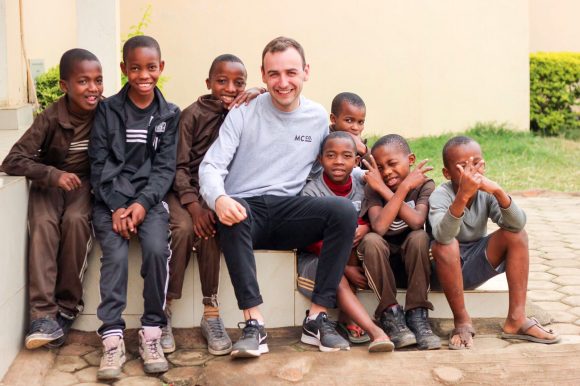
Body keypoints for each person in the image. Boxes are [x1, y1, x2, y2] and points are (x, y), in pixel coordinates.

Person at [199, 36, 357, 358]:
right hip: (247, 210)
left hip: (291, 212)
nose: (283, 83)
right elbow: (211, 166)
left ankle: (317, 318)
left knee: (342, 211)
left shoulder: (316, 118)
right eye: (274, 74)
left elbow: (338, 161)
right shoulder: (244, 111)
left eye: (291, 73)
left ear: (306, 72)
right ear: (263, 74)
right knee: (232, 211)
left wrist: (380, 177)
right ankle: (254, 325)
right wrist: (219, 199)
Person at [89, 35, 179, 379]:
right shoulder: (108, 110)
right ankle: (112, 338)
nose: (144, 75)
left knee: (157, 249)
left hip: (149, 202)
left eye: (151, 67)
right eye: (136, 68)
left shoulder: (169, 114)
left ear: (161, 68)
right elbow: (98, 164)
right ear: (124, 68)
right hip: (110, 201)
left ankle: (152, 332)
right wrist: (116, 206)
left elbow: (164, 169)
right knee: (115, 255)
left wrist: (141, 204)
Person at [2, 49, 102, 349]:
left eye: (98, 80)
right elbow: (12, 160)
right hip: (50, 182)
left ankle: (67, 307)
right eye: (83, 81)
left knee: (75, 222)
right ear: (64, 86)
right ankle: (42, 316)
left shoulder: (107, 112)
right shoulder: (50, 117)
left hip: (84, 183)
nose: (93, 88)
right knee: (44, 225)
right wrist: (51, 175)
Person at [164, 54, 265, 355]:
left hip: (218, 193)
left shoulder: (245, 110)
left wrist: (259, 91)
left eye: (239, 83)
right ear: (208, 83)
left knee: (213, 229)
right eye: (222, 81)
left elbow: (270, 97)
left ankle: (211, 312)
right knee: (183, 228)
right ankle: (164, 310)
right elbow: (178, 168)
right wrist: (194, 206)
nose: (230, 88)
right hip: (185, 192)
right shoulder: (191, 114)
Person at [428, 136, 560, 349]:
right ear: (447, 173)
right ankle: (462, 321)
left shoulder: (486, 194)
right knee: (445, 244)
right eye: (462, 166)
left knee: (517, 235)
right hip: (444, 271)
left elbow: (518, 224)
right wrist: (462, 197)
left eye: (477, 163)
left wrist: (498, 192)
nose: (472, 171)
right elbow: (443, 236)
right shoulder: (440, 196)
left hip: (473, 265)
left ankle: (516, 320)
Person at [297, 131, 394, 352]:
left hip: (352, 256)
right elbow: (311, 240)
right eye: (331, 155)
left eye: (346, 156)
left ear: (356, 161)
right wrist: (346, 268)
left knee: (360, 236)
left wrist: (367, 226)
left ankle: (347, 316)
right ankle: (373, 330)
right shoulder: (311, 192)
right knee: (337, 269)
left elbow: (373, 216)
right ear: (320, 159)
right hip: (316, 261)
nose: (339, 161)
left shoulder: (362, 185)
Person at [358, 134, 441, 350]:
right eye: (381, 167)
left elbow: (416, 221)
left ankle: (417, 315)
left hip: (413, 265)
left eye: (392, 164)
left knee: (419, 237)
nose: (386, 172)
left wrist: (400, 189)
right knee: (372, 240)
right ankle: (391, 314)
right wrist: (394, 189)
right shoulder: (372, 188)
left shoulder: (424, 184)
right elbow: (380, 227)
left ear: (411, 159)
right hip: (380, 268)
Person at [329, 92, 368, 160]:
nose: (355, 128)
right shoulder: (326, 143)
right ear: (333, 119)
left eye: (360, 122)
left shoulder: (360, 143)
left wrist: (364, 149)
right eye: (349, 120)